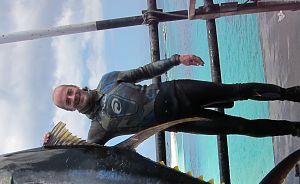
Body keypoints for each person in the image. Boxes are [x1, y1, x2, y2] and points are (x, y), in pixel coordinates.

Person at [49, 54, 300, 145]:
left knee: (238, 90)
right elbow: (84, 156)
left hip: (177, 91)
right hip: (184, 121)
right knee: (241, 127)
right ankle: (293, 129)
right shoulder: (97, 130)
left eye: (70, 92)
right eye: (68, 101)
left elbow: (144, 71)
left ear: (74, 86)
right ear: (70, 109)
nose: (73, 97)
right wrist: (53, 146)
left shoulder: (108, 80)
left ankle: (290, 94)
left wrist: (177, 60)